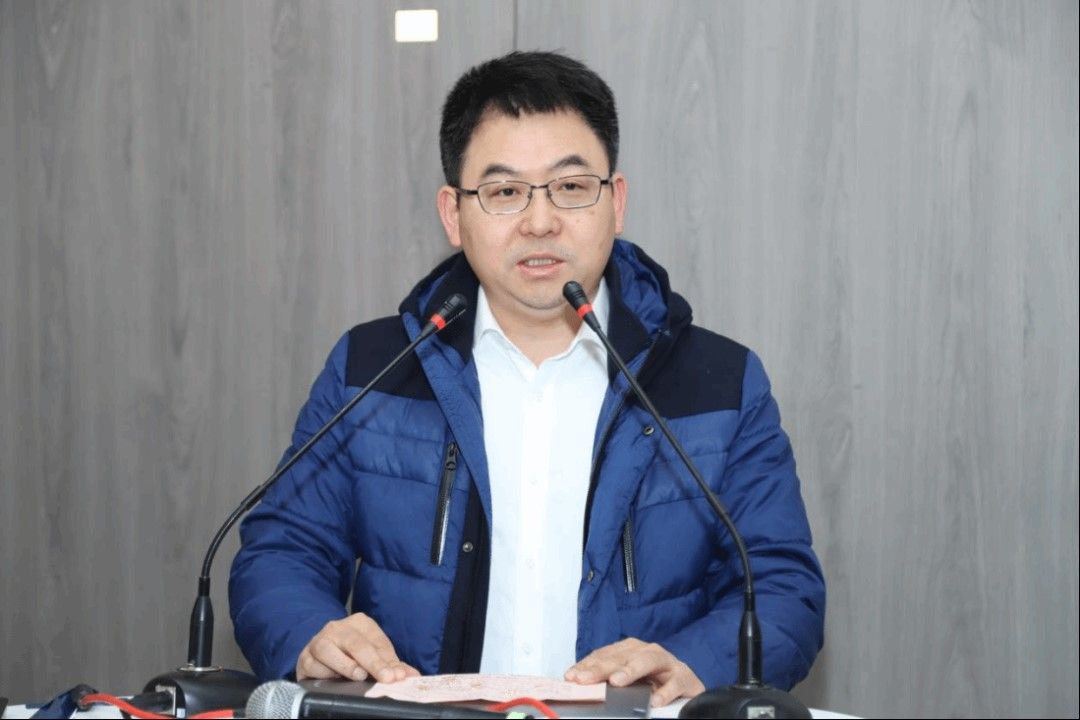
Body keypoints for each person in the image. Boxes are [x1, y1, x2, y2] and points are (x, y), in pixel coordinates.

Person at [229, 50, 825, 708]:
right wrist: (311, 634)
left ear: (617, 202)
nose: (540, 222)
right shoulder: (374, 370)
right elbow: (279, 553)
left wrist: (694, 664)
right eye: (505, 192)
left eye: (571, 187)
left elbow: (782, 589)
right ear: (454, 215)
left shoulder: (718, 383)